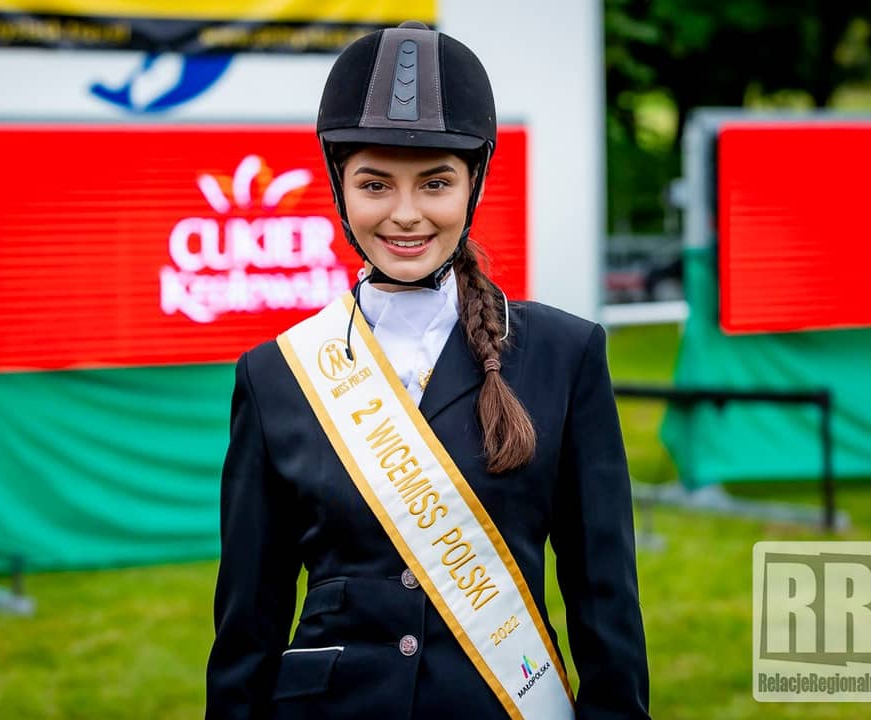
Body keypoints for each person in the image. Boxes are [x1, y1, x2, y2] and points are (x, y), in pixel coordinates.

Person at [206, 21, 650, 720]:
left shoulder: (567, 355)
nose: (405, 215)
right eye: (375, 184)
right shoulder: (276, 376)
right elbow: (247, 625)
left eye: (435, 183)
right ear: (340, 188)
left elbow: (605, 600)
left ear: (474, 184)